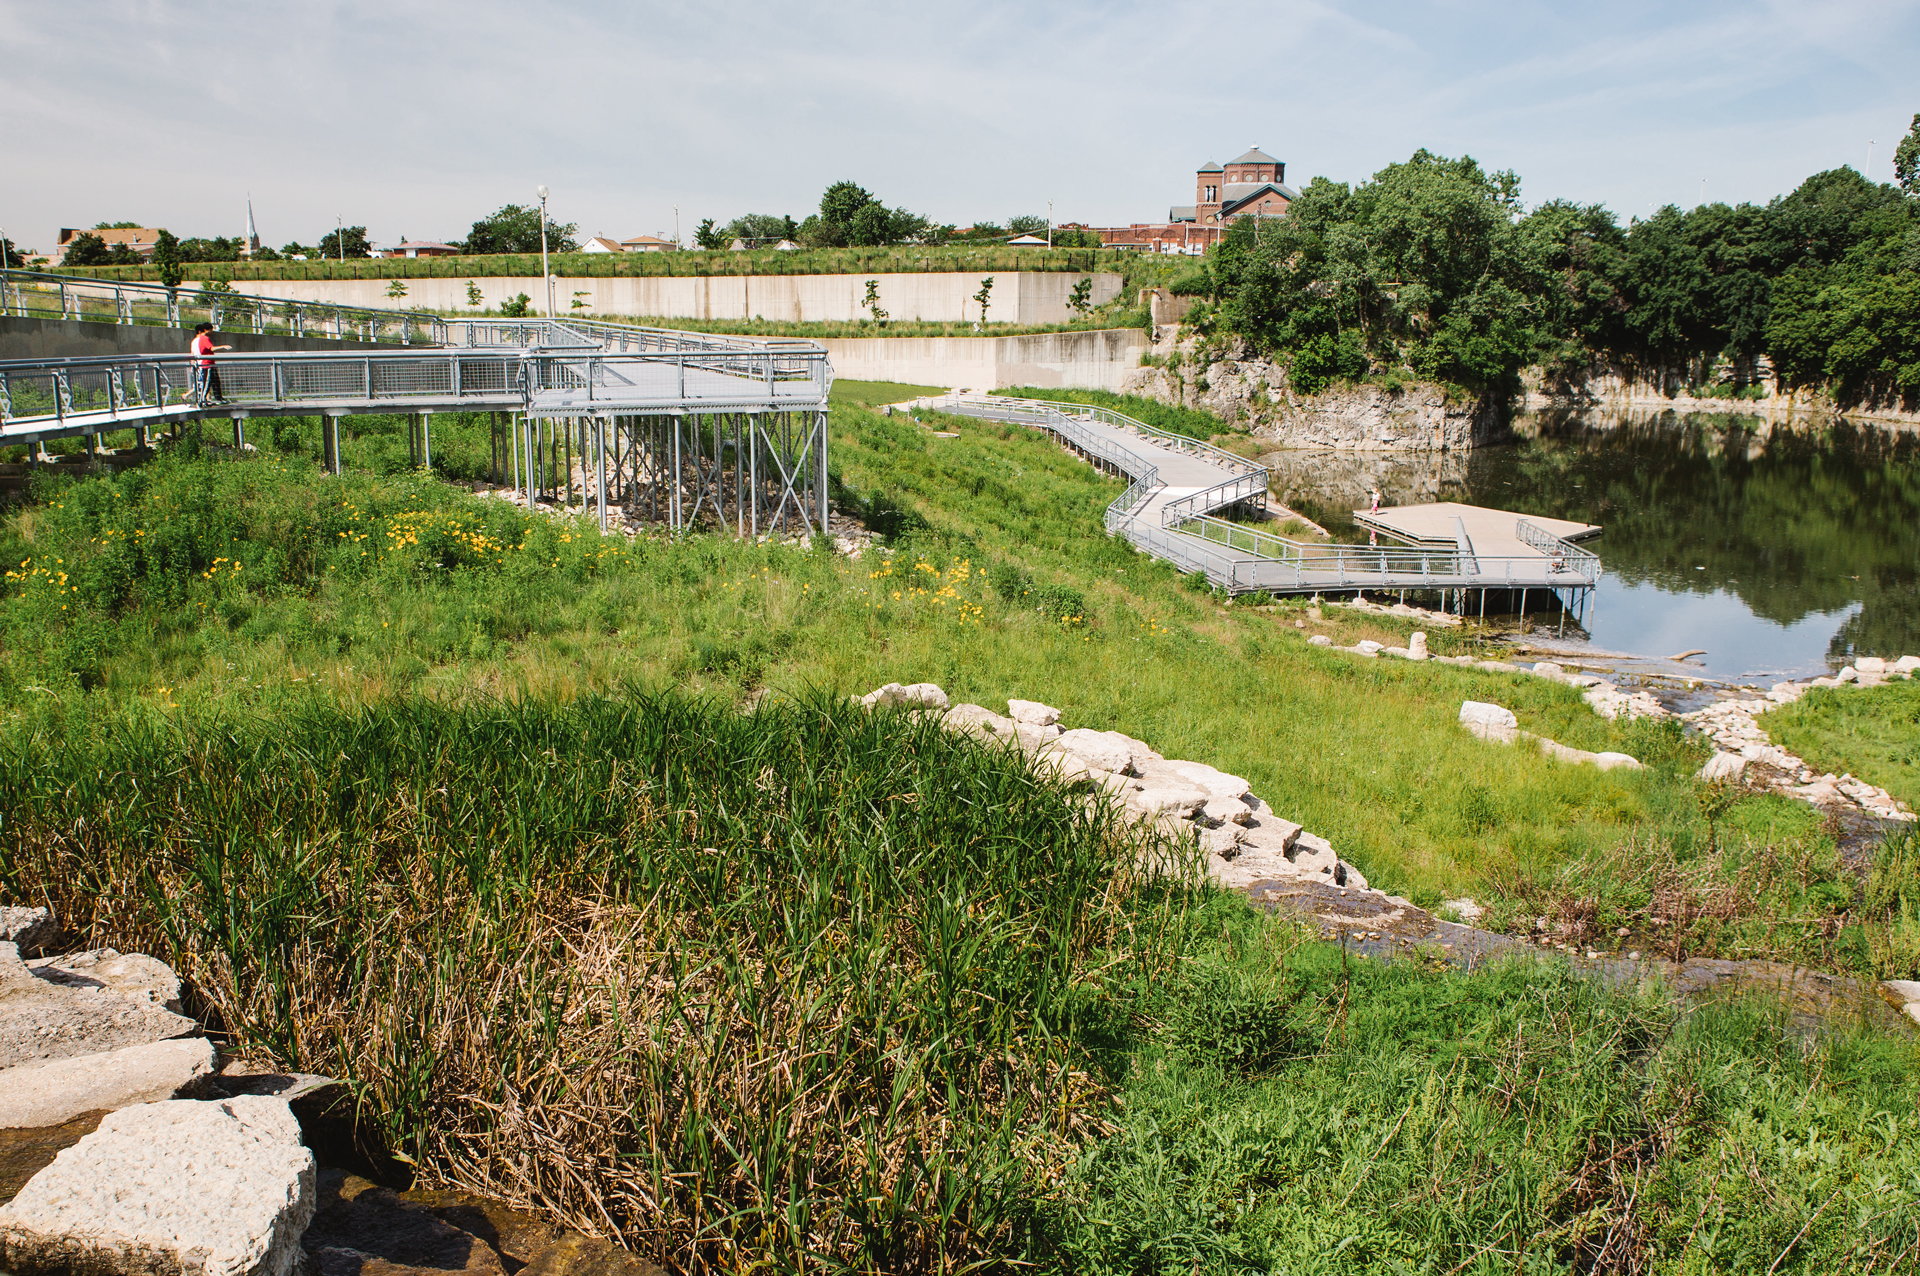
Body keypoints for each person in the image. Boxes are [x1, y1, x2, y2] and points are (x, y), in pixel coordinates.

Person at [189, 322, 233, 405]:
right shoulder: (204, 338)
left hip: (207, 364)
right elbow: (211, 348)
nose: (212, 331)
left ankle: (217, 398)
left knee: (215, 382)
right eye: (211, 329)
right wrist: (223, 346)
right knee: (207, 383)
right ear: (205, 330)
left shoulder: (196, 340)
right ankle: (203, 400)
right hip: (207, 364)